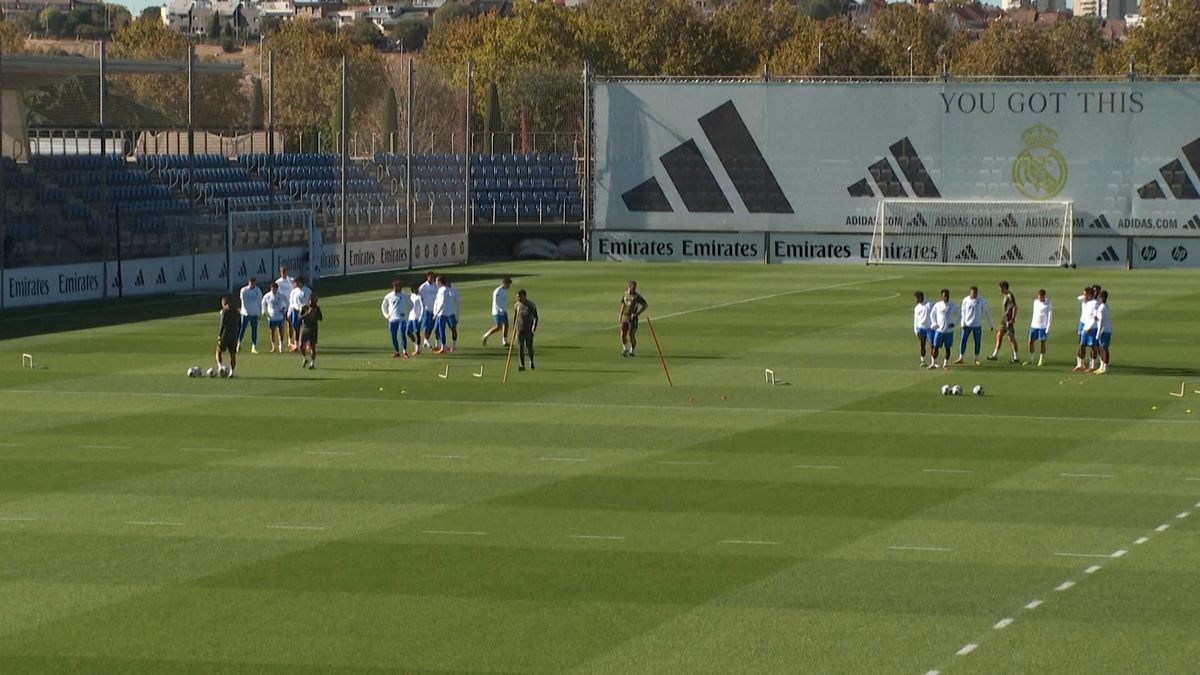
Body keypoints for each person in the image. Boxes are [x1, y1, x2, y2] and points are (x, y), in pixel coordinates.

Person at [955, 286, 993, 366]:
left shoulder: (981, 300)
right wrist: (962, 323)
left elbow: (987, 312)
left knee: (977, 341)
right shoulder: (965, 300)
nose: (974, 294)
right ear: (970, 292)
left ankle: (976, 358)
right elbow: (962, 312)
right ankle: (961, 357)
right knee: (963, 340)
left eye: (976, 293)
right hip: (967, 325)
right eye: (973, 293)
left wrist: (991, 324)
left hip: (977, 325)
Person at [987, 280, 1020, 363]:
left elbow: (1015, 307)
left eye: (1000, 288)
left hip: (1008, 320)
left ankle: (1016, 357)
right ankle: (995, 355)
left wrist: (1012, 319)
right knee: (999, 335)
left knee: (1011, 338)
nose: (999, 290)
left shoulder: (1009, 296)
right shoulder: (1006, 296)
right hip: (1004, 320)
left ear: (1004, 288)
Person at [928, 288, 957, 370]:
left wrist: (954, 323)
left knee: (947, 348)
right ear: (941, 296)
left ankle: (945, 364)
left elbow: (959, 315)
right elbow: (932, 314)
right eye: (944, 296)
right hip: (939, 330)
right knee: (935, 347)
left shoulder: (952, 305)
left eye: (947, 296)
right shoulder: (938, 305)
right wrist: (934, 323)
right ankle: (933, 363)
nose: (946, 297)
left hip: (949, 331)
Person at [381, 280, 412, 358]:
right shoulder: (388, 296)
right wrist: (386, 315)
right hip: (392, 319)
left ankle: (404, 351)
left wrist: (406, 313)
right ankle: (396, 351)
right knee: (393, 336)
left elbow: (411, 304)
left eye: (398, 287)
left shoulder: (404, 295)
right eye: (395, 287)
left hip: (401, 318)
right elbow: (383, 306)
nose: (396, 289)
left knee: (402, 334)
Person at [619, 280, 648, 357]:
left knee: (631, 334)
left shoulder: (637, 296)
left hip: (632, 318)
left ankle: (632, 350)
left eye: (635, 287)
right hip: (624, 316)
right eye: (633, 287)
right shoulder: (625, 295)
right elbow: (623, 305)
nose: (634, 289)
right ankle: (625, 349)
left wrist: (637, 313)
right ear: (629, 287)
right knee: (622, 334)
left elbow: (645, 305)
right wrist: (620, 315)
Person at [432, 276, 461, 354]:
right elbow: (437, 302)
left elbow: (443, 302)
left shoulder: (445, 290)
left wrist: (436, 313)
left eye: (437, 281)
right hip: (441, 313)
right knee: (436, 329)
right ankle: (442, 345)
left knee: (444, 329)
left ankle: (444, 347)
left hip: (445, 313)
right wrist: (435, 312)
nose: (436, 283)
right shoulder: (441, 290)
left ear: (440, 282)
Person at [513, 288, 539, 371]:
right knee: (520, 347)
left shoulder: (531, 305)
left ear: (523, 296)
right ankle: (522, 365)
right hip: (519, 329)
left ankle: (531, 361)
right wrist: (514, 327)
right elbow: (515, 316)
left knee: (529, 347)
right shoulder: (516, 305)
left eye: (519, 296)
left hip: (528, 329)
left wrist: (534, 326)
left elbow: (535, 317)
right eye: (517, 296)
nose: (517, 298)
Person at [1025, 288, 1053, 367]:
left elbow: (1050, 316)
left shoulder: (1048, 304)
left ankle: (1041, 359)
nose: (1040, 298)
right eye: (1039, 296)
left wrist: (1048, 328)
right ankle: (1031, 359)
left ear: (1044, 296)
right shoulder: (1035, 302)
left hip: (1043, 326)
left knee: (1042, 342)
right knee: (1030, 341)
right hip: (1034, 325)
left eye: (1041, 297)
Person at [483, 277, 513, 346]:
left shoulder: (504, 291)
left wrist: (504, 309)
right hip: (497, 311)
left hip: (503, 311)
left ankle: (504, 341)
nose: (509, 286)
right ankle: (486, 335)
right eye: (508, 284)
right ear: (504, 283)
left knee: (506, 325)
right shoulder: (497, 291)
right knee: (498, 326)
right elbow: (496, 302)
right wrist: (501, 310)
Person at [1073, 286, 1097, 372]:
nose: (1084, 296)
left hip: (1092, 328)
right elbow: (1079, 298)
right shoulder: (1086, 301)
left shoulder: (1094, 303)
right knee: (1082, 344)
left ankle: (1093, 365)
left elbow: (1095, 317)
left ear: (1090, 295)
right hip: (1085, 326)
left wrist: (1089, 327)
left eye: (1086, 294)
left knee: (1092, 346)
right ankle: (1081, 364)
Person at [215, 295, 239, 377]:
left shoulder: (224, 311)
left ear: (224, 303)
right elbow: (239, 325)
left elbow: (222, 324)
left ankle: (220, 366)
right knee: (232, 354)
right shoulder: (236, 311)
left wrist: (219, 335)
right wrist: (237, 337)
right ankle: (232, 372)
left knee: (218, 350)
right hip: (233, 336)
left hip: (225, 335)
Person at [237, 276, 263, 354]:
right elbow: (243, 302)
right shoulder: (244, 290)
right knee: (242, 329)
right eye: (251, 283)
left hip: (254, 313)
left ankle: (253, 347)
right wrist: (246, 312)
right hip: (245, 313)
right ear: (248, 283)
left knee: (254, 330)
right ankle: (239, 343)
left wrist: (259, 312)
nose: (252, 285)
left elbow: (259, 302)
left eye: (254, 283)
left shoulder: (258, 291)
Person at [261, 281, 288, 353]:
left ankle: (281, 346)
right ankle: (273, 346)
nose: (273, 290)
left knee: (280, 331)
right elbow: (263, 303)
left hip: (279, 316)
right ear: (270, 288)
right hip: (271, 316)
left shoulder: (281, 295)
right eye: (272, 288)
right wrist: (264, 311)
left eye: (275, 289)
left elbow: (287, 302)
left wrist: (284, 309)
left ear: (277, 289)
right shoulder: (267, 296)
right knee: (272, 331)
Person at [287, 275, 311, 353]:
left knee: (305, 328)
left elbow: (309, 302)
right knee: (296, 327)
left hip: (305, 312)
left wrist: (305, 308)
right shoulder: (294, 291)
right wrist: (290, 311)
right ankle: (297, 344)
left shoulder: (307, 291)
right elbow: (291, 302)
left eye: (297, 282)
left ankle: (307, 343)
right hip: (296, 311)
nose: (296, 284)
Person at [298, 293, 323, 369]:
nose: (313, 301)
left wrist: (315, 313)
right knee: (301, 345)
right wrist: (307, 314)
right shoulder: (304, 308)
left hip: (313, 329)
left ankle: (313, 363)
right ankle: (304, 358)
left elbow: (321, 318)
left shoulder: (317, 308)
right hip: (305, 328)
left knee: (313, 347)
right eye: (312, 300)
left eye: (314, 300)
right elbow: (299, 318)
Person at [275, 265, 296, 350]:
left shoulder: (291, 280)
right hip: (281, 306)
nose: (283, 273)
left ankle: (290, 341)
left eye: (285, 271)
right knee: (280, 325)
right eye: (282, 271)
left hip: (290, 305)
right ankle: (281, 342)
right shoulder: (278, 282)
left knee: (290, 324)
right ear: (280, 272)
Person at [417, 270, 439, 350]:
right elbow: (419, 296)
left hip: (434, 309)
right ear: (427, 277)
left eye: (433, 277)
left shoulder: (435, 286)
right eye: (430, 277)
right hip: (426, 309)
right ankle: (426, 340)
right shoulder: (423, 287)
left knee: (432, 326)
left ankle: (426, 340)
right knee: (426, 326)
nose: (432, 279)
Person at [1093, 290, 1112, 374]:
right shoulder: (1106, 306)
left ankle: (1105, 367)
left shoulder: (1101, 307)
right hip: (1107, 329)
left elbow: (1100, 321)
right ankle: (1102, 366)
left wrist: (1098, 333)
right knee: (1102, 348)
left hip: (1104, 330)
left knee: (1104, 349)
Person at [913, 291, 933, 368]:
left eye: (917, 297)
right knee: (922, 344)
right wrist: (916, 330)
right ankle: (923, 360)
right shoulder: (917, 308)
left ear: (921, 297)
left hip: (929, 328)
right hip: (920, 328)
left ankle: (933, 361)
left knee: (932, 344)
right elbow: (916, 320)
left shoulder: (929, 304)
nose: (916, 299)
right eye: (915, 298)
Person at [406, 282, 424, 356]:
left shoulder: (420, 296)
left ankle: (418, 349)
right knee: (408, 332)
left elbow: (423, 307)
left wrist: (420, 317)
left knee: (417, 333)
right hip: (411, 316)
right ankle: (416, 345)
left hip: (416, 317)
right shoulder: (412, 295)